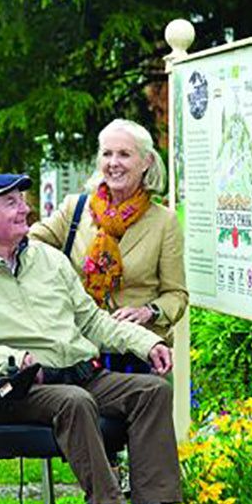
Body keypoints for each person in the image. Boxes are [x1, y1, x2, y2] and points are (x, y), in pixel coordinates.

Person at [0, 172, 211, 504]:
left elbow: (92, 322)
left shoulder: (48, 261)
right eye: (10, 202)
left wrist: (149, 343)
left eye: (22, 199)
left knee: (151, 391)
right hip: (19, 391)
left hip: (80, 373)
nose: (24, 208)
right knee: (74, 402)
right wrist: (7, 359)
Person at [29, 119, 188, 372]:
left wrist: (149, 311)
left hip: (139, 351)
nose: (113, 163)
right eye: (107, 154)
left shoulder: (163, 221)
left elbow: (176, 295)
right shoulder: (75, 209)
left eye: (124, 154)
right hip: (78, 346)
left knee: (147, 404)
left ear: (146, 162)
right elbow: (24, 242)